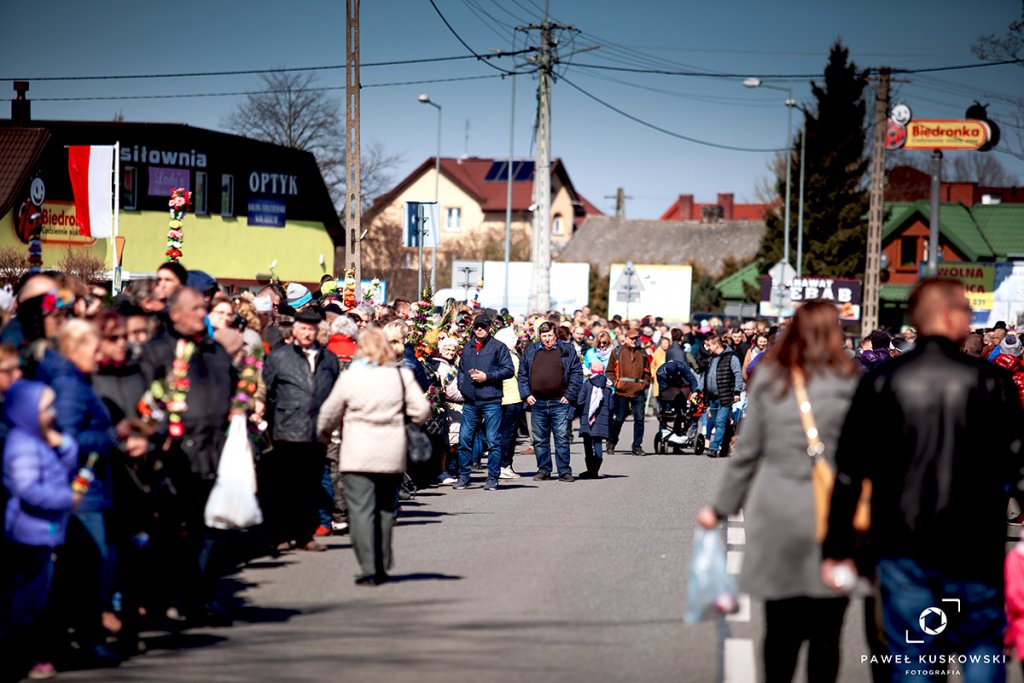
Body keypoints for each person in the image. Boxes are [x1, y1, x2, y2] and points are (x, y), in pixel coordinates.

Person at [823, 278, 1024, 682]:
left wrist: (838, 546)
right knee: (982, 650)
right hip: (974, 544)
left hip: (902, 542)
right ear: (947, 315)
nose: (971, 321)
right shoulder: (990, 382)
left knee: (915, 656)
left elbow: (848, 470)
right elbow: (1016, 463)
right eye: (966, 312)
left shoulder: (883, 381)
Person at [697, 302, 858, 683]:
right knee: (827, 633)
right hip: (835, 517)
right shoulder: (852, 383)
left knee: (781, 629)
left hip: (779, 518)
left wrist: (720, 508)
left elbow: (747, 454)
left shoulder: (772, 380)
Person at [139, 286, 235, 625]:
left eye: (204, 308)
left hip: (213, 452)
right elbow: (147, 399)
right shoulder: (159, 351)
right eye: (196, 308)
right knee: (171, 532)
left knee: (210, 531)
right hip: (174, 455)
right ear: (175, 312)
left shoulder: (215, 350)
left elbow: (236, 388)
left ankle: (202, 599)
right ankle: (166, 600)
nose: (201, 313)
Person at [316, 327, 430, 586]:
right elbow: (422, 410)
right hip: (391, 453)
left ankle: (370, 567)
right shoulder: (400, 376)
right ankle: (384, 560)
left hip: (357, 454)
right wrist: (401, 420)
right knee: (385, 510)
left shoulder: (350, 378)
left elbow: (328, 414)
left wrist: (324, 434)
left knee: (360, 511)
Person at [1, 381, 78, 682]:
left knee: (44, 597)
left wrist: (63, 443)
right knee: (29, 600)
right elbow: (27, 489)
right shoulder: (21, 444)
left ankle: (38, 652)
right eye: (47, 408)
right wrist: (66, 500)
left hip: (48, 531)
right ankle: (22, 656)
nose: (53, 413)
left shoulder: (40, 438)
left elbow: (67, 465)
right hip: (28, 534)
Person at [261, 309, 339, 551]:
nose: (307, 333)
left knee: (311, 485)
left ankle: (305, 535)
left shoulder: (328, 358)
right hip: (286, 429)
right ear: (294, 331)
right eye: (303, 328)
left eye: (312, 329)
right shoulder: (279, 357)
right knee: (283, 486)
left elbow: (335, 391)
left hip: (317, 431)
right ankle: (280, 535)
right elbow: (268, 390)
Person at [518, 321, 584, 482]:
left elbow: (576, 373)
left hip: (560, 402)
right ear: (539, 336)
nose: (547, 339)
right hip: (537, 402)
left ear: (556, 336)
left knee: (561, 437)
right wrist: (526, 394)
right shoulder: (531, 350)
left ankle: (564, 471)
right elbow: (522, 374)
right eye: (544, 336)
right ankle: (544, 470)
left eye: (550, 336)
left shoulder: (566, 350)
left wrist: (569, 395)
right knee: (540, 439)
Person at [454, 315, 513, 491]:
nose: (480, 329)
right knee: (464, 439)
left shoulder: (498, 347)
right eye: (477, 326)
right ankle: (464, 476)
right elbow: (461, 370)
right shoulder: (467, 348)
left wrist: (487, 377)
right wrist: (462, 386)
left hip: (491, 400)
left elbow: (508, 370)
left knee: (493, 440)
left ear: (489, 328)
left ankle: (493, 477)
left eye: (483, 326)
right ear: (473, 328)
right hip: (471, 401)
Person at [606, 328, 652, 456]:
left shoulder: (642, 353)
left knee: (639, 419)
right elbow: (609, 371)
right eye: (632, 338)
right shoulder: (617, 351)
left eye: (636, 338)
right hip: (621, 391)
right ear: (625, 338)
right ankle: (611, 442)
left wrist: (644, 384)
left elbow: (648, 372)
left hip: (638, 391)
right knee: (619, 418)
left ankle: (637, 446)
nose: (634, 341)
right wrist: (616, 383)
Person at [703, 334, 743, 458]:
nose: (708, 348)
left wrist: (737, 392)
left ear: (716, 345)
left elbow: (738, 374)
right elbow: (706, 375)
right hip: (712, 397)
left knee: (720, 422)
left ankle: (714, 447)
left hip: (725, 396)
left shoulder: (731, 357)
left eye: (709, 345)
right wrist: (700, 390)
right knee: (717, 422)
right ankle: (725, 445)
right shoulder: (711, 358)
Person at [431, 337, 464, 485]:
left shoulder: (455, 364)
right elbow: (448, 390)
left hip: (457, 407)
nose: (450, 352)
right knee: (448, 441)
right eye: (447, 349)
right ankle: (443, 470)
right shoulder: (440, 365)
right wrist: (465, 396)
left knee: (455, 440)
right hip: (447, 406)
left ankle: (451, 469)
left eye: (453, 350)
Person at [494, 327, 524, 480]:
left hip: (499, 399)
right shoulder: (511, 357)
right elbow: (520, 375)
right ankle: (505, 465)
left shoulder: (495, 355)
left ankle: (501, 465)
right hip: (512, 398)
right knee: (509, 435)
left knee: (500, 434)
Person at [576, 361, 613, 479]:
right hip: (602, 419)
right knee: (598, 442)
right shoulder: (607, 386)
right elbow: (611, 405)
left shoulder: (587, 384)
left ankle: (590, 470)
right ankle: (595, 470)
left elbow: (580, 401)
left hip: (588, 417)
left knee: (587, 442)